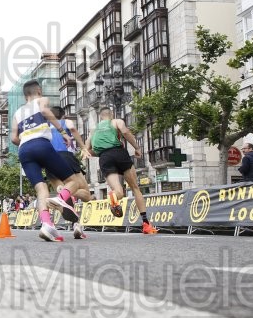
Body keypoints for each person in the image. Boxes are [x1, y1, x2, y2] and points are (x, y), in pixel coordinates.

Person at [10, 80, 85, 242]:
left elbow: (13, 138)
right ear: (38, 91)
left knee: (41, 190)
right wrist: (61, 131)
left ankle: (47, 225)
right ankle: (60, 198)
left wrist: (26, 142)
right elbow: (44, 111)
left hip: (24, 150)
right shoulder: (41, 100)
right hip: (41, 145)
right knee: (73, 181)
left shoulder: (17, 113)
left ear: (25, 96)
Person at [91, 107, 158, 235]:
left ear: (100, 117)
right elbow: (126, 132)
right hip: (119, 153)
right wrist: (137, 148)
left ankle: (114, 196)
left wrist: (103, 154)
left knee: (118, 192)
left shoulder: (94, 130)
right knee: (135, 188)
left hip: (104, 158)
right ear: (111, 114)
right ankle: (146, 225)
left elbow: (88, 150)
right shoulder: (116, 121)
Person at [48, 106, 94, 239]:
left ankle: (76, 224)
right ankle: (67, 190)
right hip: (65, 156)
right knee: (86, 193)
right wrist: (84, 148)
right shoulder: (65, 122)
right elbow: (72, 129)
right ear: (62, 116)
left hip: (49, 159)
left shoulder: (45, 127)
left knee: (63, 197)